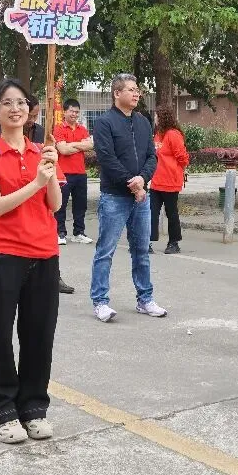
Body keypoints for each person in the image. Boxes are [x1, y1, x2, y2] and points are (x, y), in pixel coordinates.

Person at [0, 78, 63, 444]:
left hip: (44, 253)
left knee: (39, 335)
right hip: (2, 255)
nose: (15, 108)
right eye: (7, 103)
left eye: (22, 102)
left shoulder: (42, 151)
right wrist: (36, 184)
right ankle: (2, 409)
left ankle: (33, 407)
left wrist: (50, 173)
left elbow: (55, 205)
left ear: (30, 111)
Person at [89, 74, 167, 322]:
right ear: (116, 93)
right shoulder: (104, 123)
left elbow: (151, 157)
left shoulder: (143, 122)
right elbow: (107, 158)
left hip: (141, 197)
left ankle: (145, 299)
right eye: (131, 90)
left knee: (141, 250)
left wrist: (143, 180)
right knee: (106, 251)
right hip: (115, 196)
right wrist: (132, 184)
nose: (136, 94)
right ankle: (100, 301)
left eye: (137, 90)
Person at [149, 104, 190, 256]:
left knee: (171, 213)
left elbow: (183, 158)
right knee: (151, 212)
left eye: (156, 116)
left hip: (171, 181)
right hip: (156, 181)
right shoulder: (158, 134)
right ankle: (148, 241)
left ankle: (174, 243)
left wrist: (173, 170)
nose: (155, 119)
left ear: (163, 118)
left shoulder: (173, 134)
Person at [53, 99, 94, 247]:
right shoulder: (58, 129)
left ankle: (79, 232)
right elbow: (63, 150)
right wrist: (80, 145)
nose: (74, 114)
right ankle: (60, 233)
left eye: (77, 112)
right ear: (65, 112)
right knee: (61, 204)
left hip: (80, 173)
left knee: (80, 205)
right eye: (71, 111)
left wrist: (72, 145)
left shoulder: (82, 128)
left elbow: (90, 144)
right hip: (63, 174)